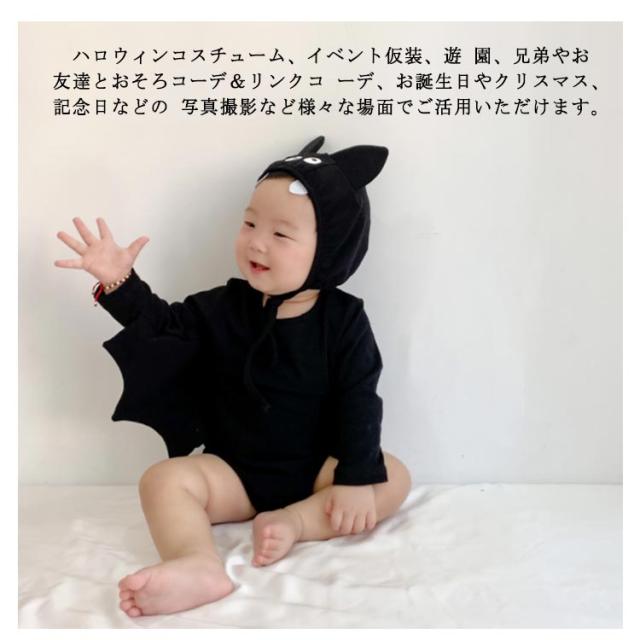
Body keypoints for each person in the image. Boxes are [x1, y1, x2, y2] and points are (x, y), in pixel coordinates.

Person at [54, 136, 412, 617]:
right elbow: (165, 328)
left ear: (330, 249)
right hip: (233, 473)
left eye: (281, 234)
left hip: (316, 474)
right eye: (250, 223)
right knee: (162, 480)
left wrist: (353, 479)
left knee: (392, 476)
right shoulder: (224, 305)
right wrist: (120, 284)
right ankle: (196, 563)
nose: (257, 241)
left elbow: (359, 397)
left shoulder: (344, 320)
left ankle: (296, 523)